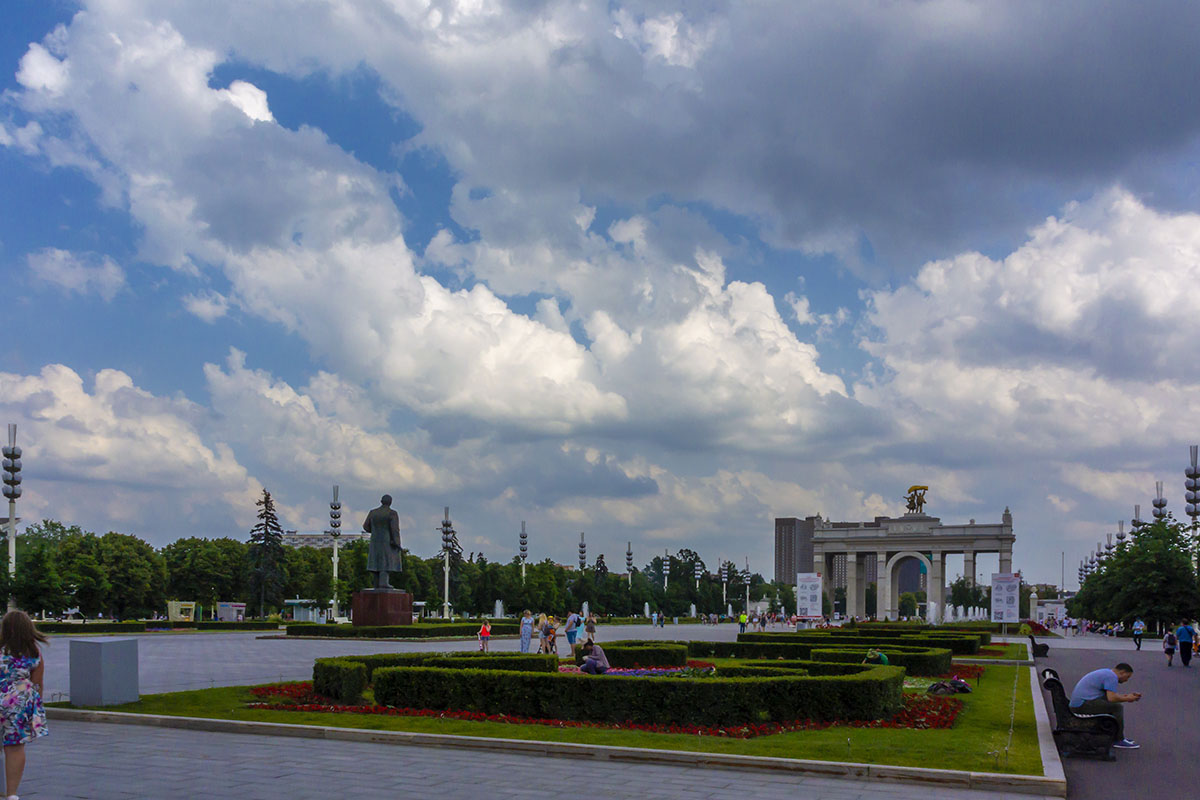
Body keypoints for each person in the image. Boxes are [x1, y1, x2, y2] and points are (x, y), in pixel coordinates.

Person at [0, 610, 49, 800]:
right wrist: (36, 710)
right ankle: (12, 793)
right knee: (14, 747)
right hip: (19, 703)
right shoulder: (34, 652)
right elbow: (37, 683)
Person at [1067, 662, 1141, 749]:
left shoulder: (1107, 673)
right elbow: (1111, 698)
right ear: (1122, 672)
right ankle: (1118, 739)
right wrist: (1127, 698)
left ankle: (1113, 735)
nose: (1126, 680)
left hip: (1079, 703)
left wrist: (1127, 696)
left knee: (1113, 705)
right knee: (1117, 707)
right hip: (1081, 705)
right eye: (1127, 677)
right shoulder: (1112, 677)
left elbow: (1109, 696)